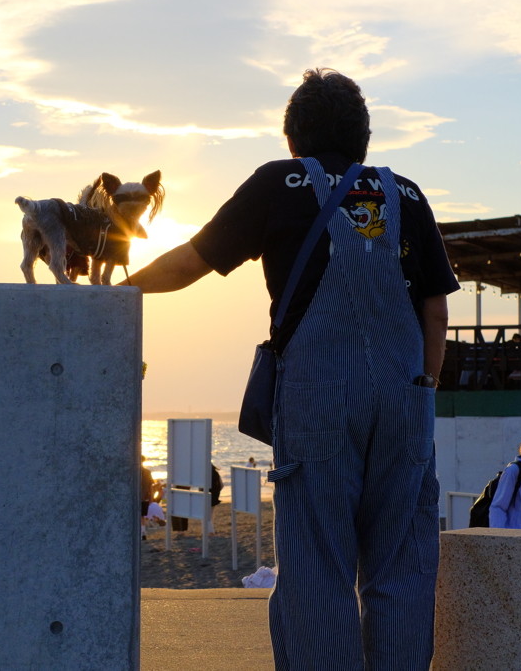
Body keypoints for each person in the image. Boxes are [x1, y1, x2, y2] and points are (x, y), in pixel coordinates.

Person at [122, 68, 457, 670]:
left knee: (317, 571)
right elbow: (435, 313)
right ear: (364, 139)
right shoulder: (406, 194)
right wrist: (422, 390)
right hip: (406, 400)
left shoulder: (280, 182)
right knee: (401, 569)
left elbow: (190, 262)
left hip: (319, 401)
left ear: (292, 140)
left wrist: (117, 292)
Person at [208, 463, 223, 537]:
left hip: (206, 496)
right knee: (210, 514)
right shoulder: (216, 473)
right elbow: (222, 485)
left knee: (206, 515)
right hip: (215, 496)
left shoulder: (205, 474)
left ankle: (211, 532)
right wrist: (217, 491)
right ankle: (210, 530)